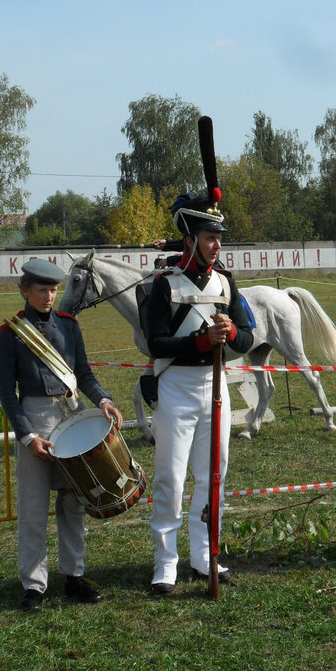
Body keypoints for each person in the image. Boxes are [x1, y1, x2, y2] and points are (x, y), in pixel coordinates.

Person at [0, 259, 123, 612]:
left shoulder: (69, 325)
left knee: (73, 503)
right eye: (41, 290)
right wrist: (26, 436)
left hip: (72, 415)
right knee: (33, 508)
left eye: (53, 290)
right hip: (35, 419)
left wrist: (104, 400)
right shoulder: (10, 333)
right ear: (25, 290)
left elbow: (83, 372)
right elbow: (7, 392)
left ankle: (74, 576)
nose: (49, 296)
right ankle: (34, 586)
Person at [145, 192, 254, 594]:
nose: (217, 244)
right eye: (210, 236)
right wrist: (200, 342)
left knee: (214, 478)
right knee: (171, 478)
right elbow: (155, 344)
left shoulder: (226, 282)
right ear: (189, 239)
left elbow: (246, 337)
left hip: (216, 387)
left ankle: (204, 554)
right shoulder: (164, 285)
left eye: (219, 237)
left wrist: (228, 334)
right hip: (176, 387)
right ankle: (165, 562)